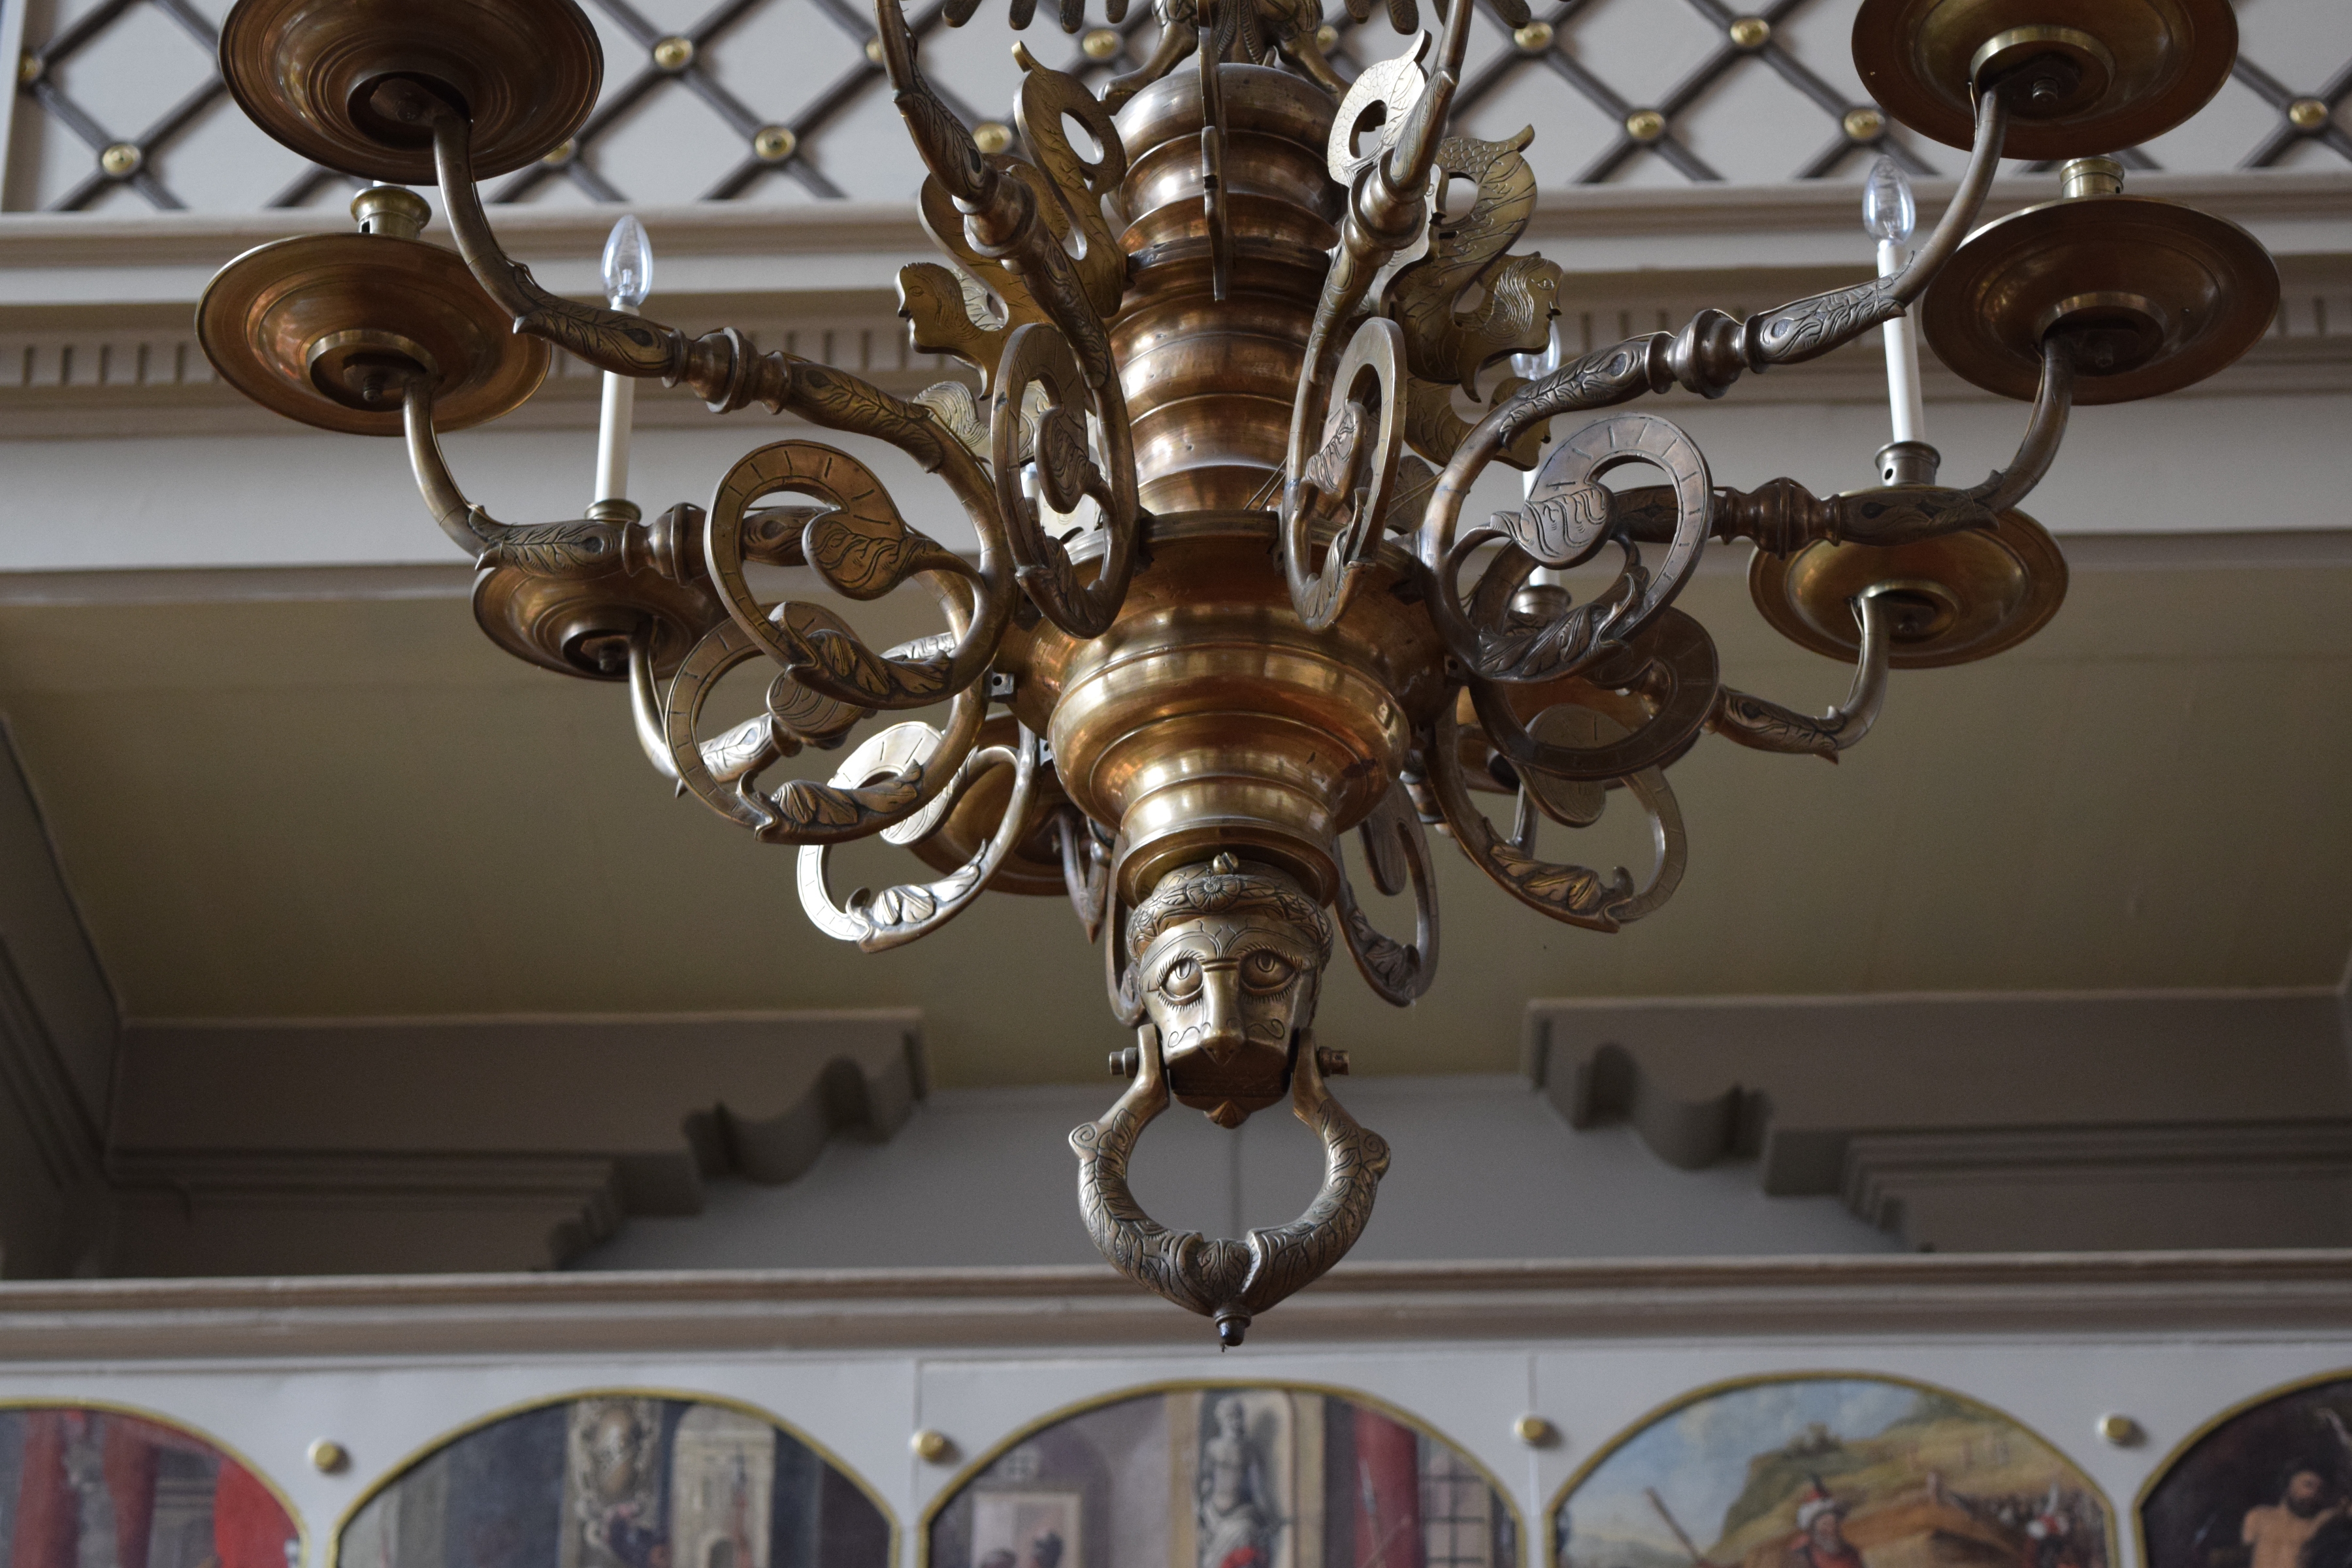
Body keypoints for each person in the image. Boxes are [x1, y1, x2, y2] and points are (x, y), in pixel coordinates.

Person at [2246, 1471, 2347, 1568]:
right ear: (2289, 1485)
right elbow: (2243, 1556)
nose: (2313, 1493)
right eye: (2308, 1485)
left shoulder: (2321, 1523)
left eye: (2320, 1490)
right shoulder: (2259, 1516)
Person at [1788, 1483, 1866, 1568]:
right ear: (1814, 1530)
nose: (1831, 1529)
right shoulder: (1801, 1555)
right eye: (1825, 1525)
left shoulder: (1850, 1552)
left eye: (1834, 1524)